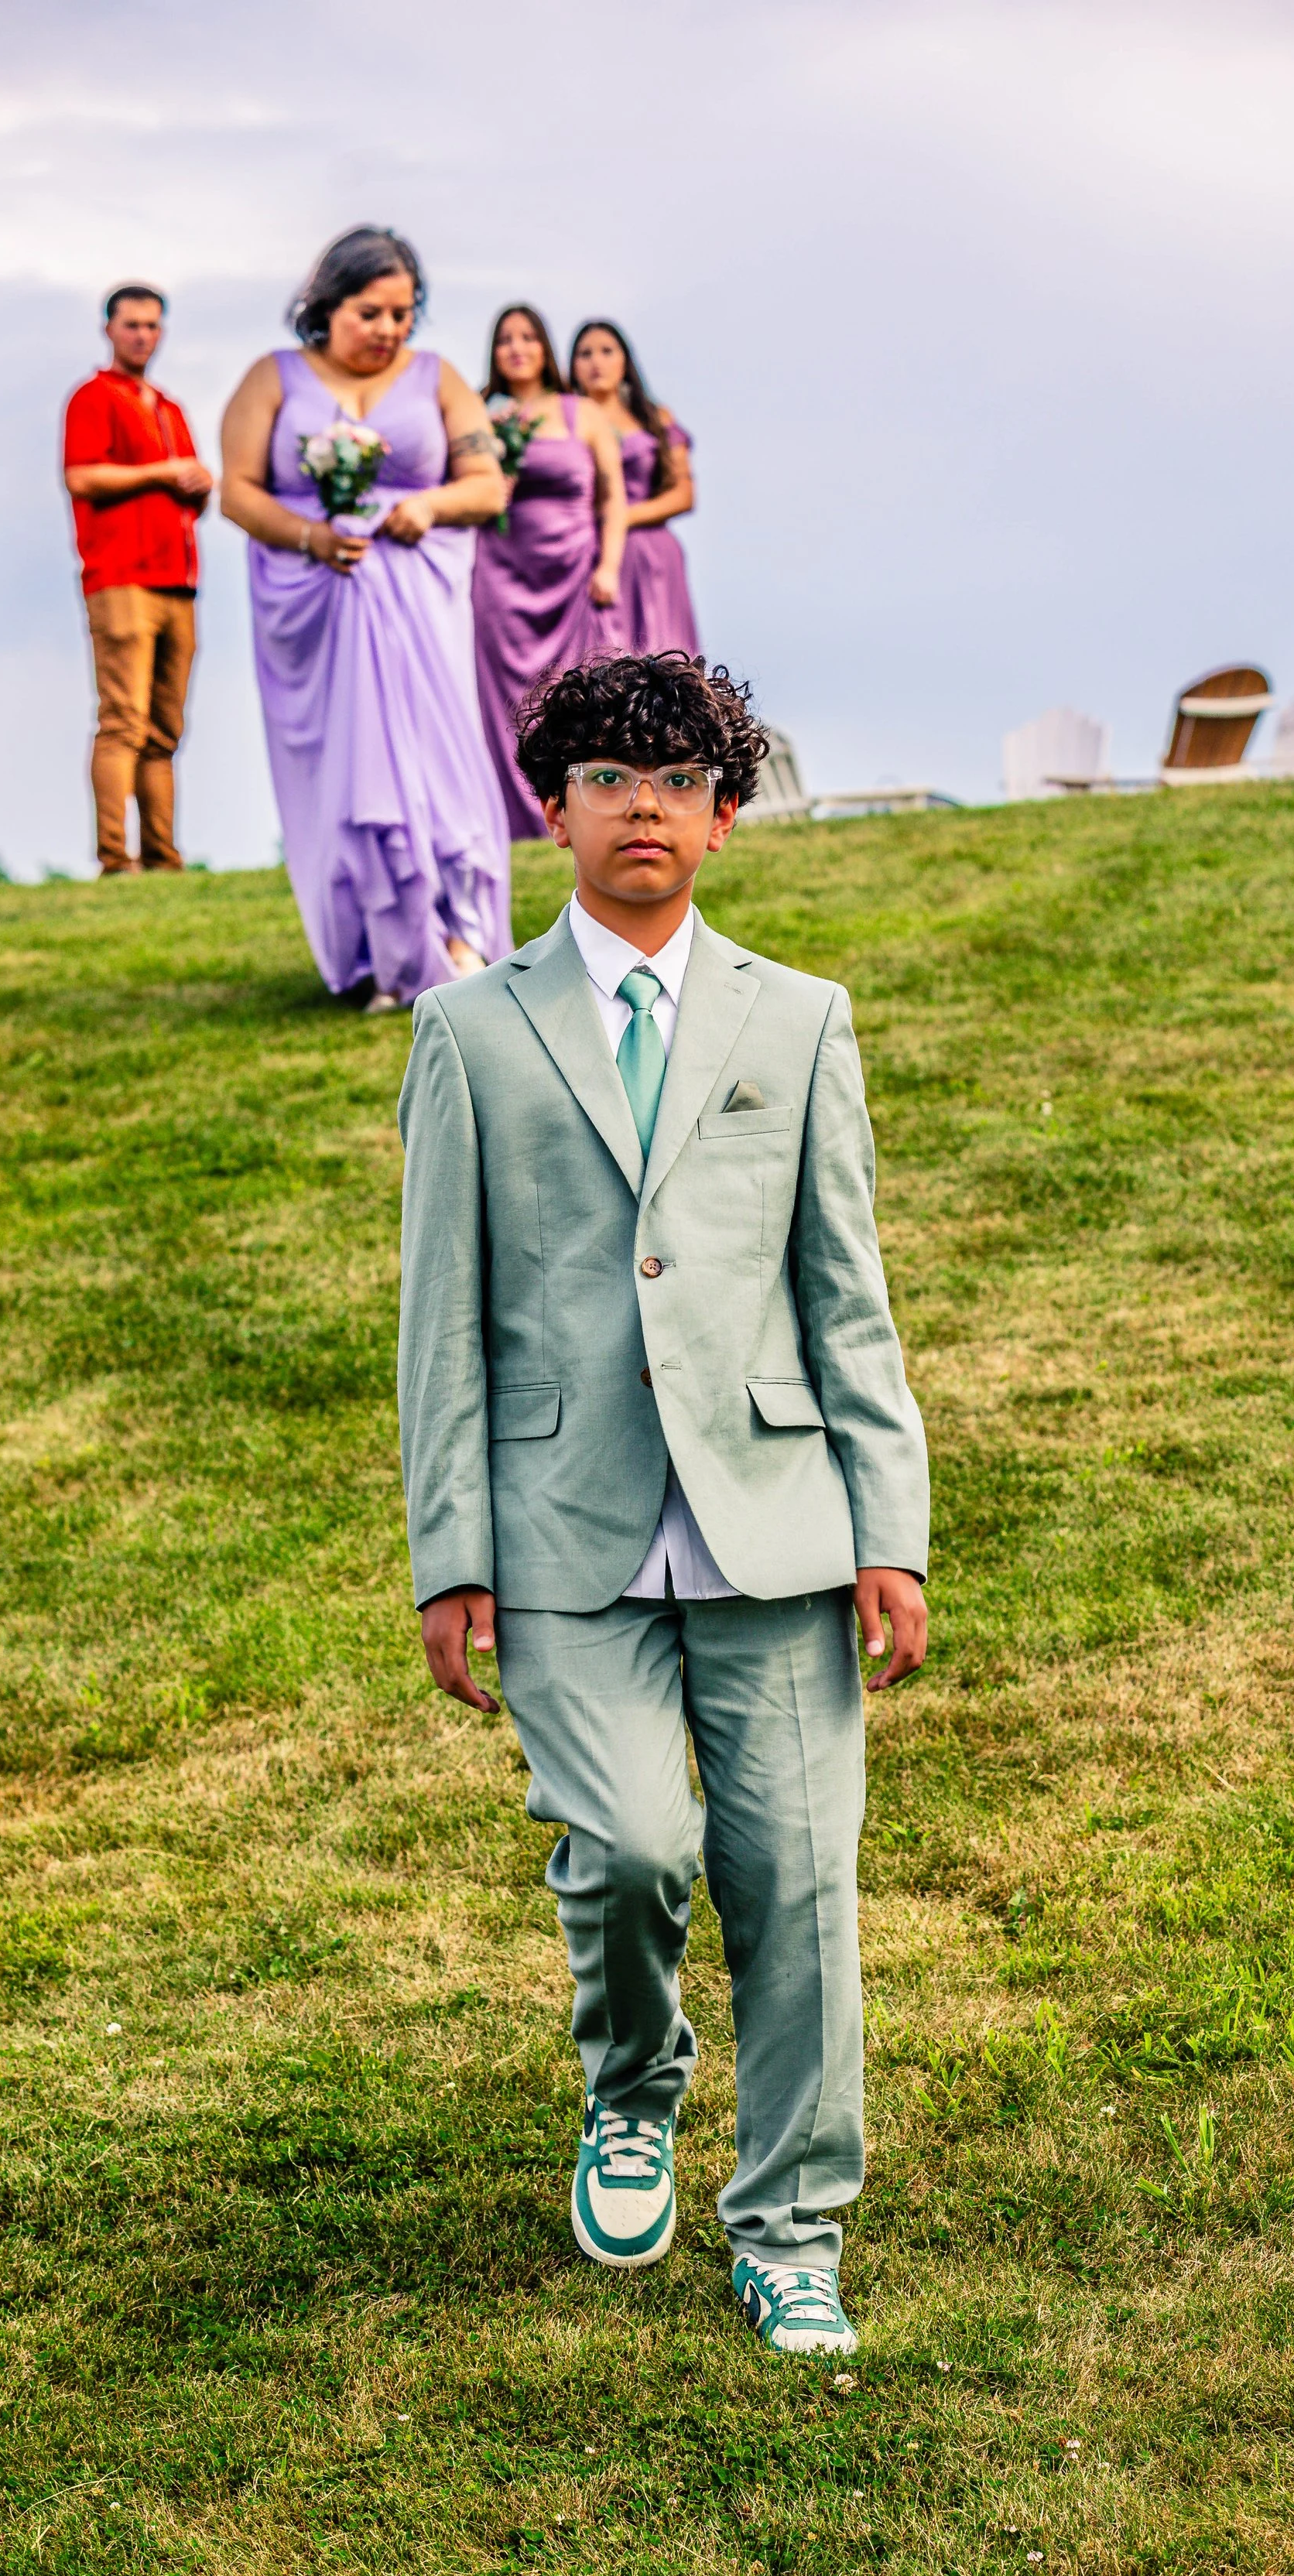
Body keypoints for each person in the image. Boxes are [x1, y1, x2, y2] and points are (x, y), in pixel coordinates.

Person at [398, 652, 930, 2358]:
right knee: (631, 1848)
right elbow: (442, 1315)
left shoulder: (799, 1019)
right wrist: (448, 1555)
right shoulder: (468, 1033)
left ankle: (790, 2227)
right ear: (553, 809)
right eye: (611, 779)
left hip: (776, 1518)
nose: (646, 807)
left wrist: (888, 1528)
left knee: (797, 1886)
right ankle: (632, 2090)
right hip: (561, 1531)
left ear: (723, 816)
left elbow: (847, 1295)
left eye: (680, 781)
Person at [218, 227, 513, 1009]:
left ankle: (462, 936)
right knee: (351, 773)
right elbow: (237, 491)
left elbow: (487, 485)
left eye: (402, 314)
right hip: (320, 611)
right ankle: (381, 953)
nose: (388, 330)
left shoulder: (438, 377)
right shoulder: (272, 378)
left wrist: (430, 505)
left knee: (438, 760)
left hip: (419, 607)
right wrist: (309, 536)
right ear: (327, 306)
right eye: (370, 313)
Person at [62, 285, 213, 876]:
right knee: (123, 720)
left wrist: (198, 483)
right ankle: (114, 858)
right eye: (132, 325)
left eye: (152, 326)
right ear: (109, 329)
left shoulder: (170, 409)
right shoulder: (93, 397)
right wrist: (163, 472)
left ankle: (162, 857)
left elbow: (189, 497)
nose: (143, 336)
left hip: (179, 580)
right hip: (121, 577)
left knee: (165, 728)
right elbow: (81, 477)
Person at [473, 306, 629, 840]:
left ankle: (595, 809)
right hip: (500, 574)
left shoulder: (582, 412)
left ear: (544, 346)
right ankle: (522, 821)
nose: (517, 348)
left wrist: (609, 565)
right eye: (505, 340)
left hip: (574, 571)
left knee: (588, 690)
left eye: (527, 337)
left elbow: (613, 497)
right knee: (508, 700)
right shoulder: (479, 414)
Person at [569, 320, 700, 659]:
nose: (596, 362)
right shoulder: (566, 422)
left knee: (663, 659)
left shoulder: (655, 418)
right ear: (572, 366)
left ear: (625, 361)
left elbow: (684, 494)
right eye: (585, 354)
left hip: (652, 557)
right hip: (589, 556)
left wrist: (621, 517)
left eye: (606, 351)